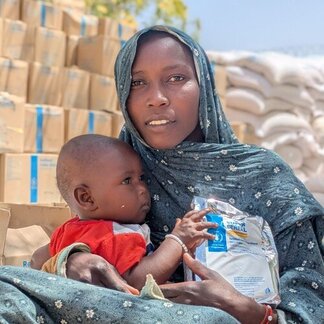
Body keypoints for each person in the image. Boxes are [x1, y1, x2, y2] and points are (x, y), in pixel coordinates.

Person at [1, 25, 323, 324]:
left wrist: (246, 309)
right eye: (138, 82)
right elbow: (70, 243)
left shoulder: (263, 177)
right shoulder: (117, 169)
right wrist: (71, 261)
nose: (156, 97)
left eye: (176, 78)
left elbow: (311, 300)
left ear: (204, 87)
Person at [33, 134, 215, 290]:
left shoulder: (67, 229)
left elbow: (38, 258)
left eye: (141, 178)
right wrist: (179, 240)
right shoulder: (116, 235)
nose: (143, 188)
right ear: (87, 198)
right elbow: (139, 281)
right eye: (127, 181)